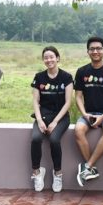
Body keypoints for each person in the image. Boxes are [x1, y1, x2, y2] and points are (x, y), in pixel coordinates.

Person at [73, 36, 103, 186]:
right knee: (78, 130)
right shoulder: (82, 72)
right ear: (88, 51)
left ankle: (87, 166)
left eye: (99, 48)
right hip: (88, 113)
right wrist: (84, 114)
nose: (95, 51)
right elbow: (78, 96)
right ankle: (92, 168)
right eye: (92, 49)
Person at [30, 46, 74, 193]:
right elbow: (35, 101)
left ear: (57, 58)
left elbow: (68, 102)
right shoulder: (39, 77)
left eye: (51, 57)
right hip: (43, 116)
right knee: (36, 138)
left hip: (61, 117)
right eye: (46, 57)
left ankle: (58, 173)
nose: (49, 60)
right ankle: (37, 172)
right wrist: (39, 120)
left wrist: (55, 122)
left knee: (54, 140)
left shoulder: (66, 77)